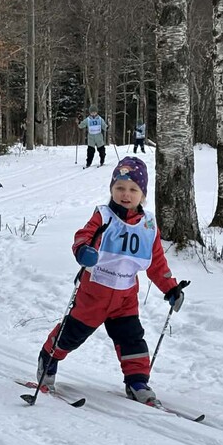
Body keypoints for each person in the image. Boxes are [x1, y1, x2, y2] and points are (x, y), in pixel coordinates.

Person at [36, 157, 187, 405]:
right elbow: (84, 236)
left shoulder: (148, 225)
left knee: (132, 340)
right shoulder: (104, 216)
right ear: (112, 189)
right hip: (94, 294)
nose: (126, 194)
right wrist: (83, 250)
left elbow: (157, 263)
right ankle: (48, 360)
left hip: (125, 298)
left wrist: (171, 288)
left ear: (143, 195)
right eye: (120, 188)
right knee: (72, 335)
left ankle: (137, 382)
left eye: (133, 190)